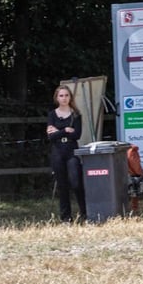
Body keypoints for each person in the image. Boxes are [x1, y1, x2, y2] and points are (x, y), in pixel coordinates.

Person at [46, 84, 86, 223]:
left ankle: (84, 213)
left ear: (70, 97)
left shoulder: (76, 115)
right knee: (62, 185)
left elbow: (77, 135)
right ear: (57, 98)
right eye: (61, 95)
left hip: (71, 150)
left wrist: (58, 131)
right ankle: (66, 218)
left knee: (76, 182)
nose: (64, 98)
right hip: (57, 152)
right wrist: (65, 131)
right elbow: (51, 137)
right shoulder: (52, 115)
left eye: (66, 95)